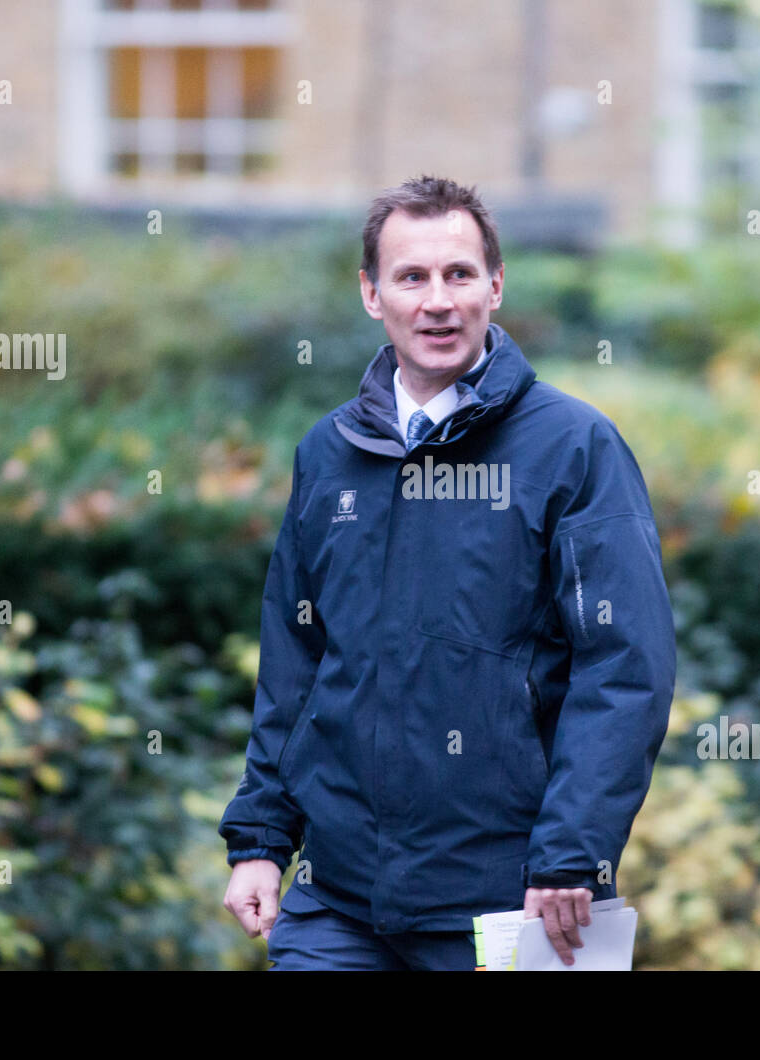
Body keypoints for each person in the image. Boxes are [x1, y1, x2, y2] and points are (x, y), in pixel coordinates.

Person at [220, 174, 676, 970]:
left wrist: (572, 853)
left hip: (504, 904)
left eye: (459, 274)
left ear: (496, 286)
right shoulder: (328, 456)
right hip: (340, 905)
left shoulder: (573, 448)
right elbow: (295, 668)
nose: (438, 300)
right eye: (412, 276)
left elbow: (625, 667)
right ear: (371, 294)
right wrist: (261, 837)